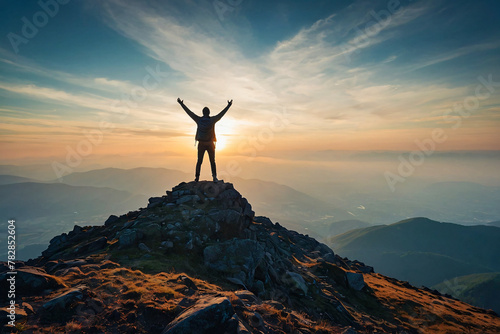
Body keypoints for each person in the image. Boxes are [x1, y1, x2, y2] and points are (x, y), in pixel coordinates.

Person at [177, 98, 233, 183]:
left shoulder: (198, 120)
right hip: (210, 144)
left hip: (201, 143)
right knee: (212, 161)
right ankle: (214, 177)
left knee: (199, 161)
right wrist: (229, 105)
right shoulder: (212, 120)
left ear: (203, 113)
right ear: (209, 113)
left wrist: (181, 104)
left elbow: (189, 113)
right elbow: (221, 114)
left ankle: (197, 178)